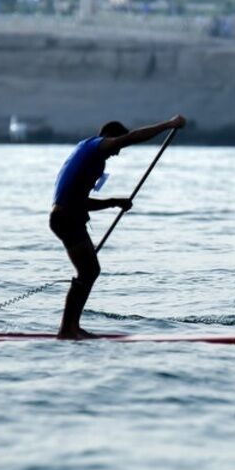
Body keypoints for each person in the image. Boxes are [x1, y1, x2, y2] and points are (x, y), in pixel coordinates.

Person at [49, 114, 187, 340]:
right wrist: (168, 125)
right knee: (89, 271)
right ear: (110, 137)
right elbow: (132, 137)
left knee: (88, 271)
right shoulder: (96, 147)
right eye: (117, 145)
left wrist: (114, 202)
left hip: (66, 217)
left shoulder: (87, 153)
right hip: (66, 219)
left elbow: (79, 201)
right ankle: (68, 329)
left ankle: (70, 327)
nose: (117, 152)